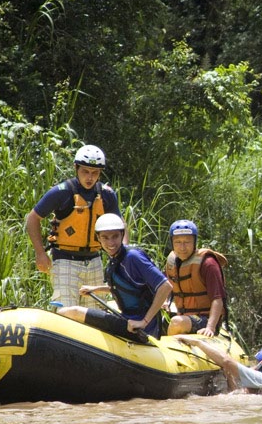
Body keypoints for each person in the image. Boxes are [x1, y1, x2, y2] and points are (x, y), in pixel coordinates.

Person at [25, 144, 123, 309]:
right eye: (85, 171)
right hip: (65, 260)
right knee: (67, 312)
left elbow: (120, 224)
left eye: (95, 173)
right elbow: (32, 218)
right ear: (76, 168)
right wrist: (40, 253)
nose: (90, 177)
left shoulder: (106, 194)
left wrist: (122, 254)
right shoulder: (62, 192)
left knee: (95, 315)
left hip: (94, 260)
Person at [57, 214, 172, 343]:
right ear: (98, 238)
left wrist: (144, 322)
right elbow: (126, 288)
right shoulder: (116, 258)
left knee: (74, 312)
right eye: (105, 238)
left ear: (122, 235)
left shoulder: (133, 257)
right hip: (126, 319)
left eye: (115, 236)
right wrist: (95, 289)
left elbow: (165, 286)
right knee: (71, 313)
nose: (111, 243)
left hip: (140, 327)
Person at [176, 337, 262, 397]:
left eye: (259, 363)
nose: (256, 366)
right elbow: (235, 394)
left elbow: (226, 361)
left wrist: (198, 343)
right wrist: (229, 377)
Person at [164, 219, 228, 337]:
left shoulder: (208, 263)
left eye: (187, 242)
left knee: (177, 322)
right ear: (172, 243)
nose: (182, 247)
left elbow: (218, 299)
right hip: (183, 315)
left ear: (194, 242)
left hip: (205, 319)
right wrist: (165, 301)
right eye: (178, 242)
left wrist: (210, 327)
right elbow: (165, 285)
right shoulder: (172, 262)